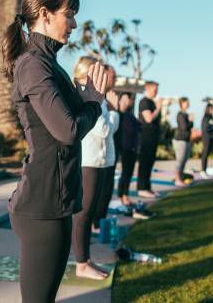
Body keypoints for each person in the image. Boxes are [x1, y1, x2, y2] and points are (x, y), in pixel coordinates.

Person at [2, 0, 107, 303]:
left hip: (53, 201)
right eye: (70, 15)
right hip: (41, 206)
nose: (74, 24)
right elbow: (68, 131)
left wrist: (88, 99)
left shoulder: (48, 64)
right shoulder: (34, 65)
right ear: (45, 15)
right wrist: (93, 102)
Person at [71, 58, 119, 280]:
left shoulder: (97, 99)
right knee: (84, 214)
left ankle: (85, 260)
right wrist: (114, 112)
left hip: (98, 161)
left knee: (89, 213)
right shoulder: (90, 98)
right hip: (88, 162)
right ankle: (81, 264)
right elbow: (104, 130)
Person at [92, 65, 120, 233]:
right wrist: (114, 112)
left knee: (105, 194)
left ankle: (99, 224)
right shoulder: (98, 99)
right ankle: (94, 226)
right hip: (94, 159)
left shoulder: (105, 100)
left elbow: (110, 130)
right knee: (95, 199)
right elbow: (104, 130)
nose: (115, 79)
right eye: (112, 76)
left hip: (106, 157)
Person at [137, 81, 163, 198]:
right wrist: (158, 108)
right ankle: (142, 188)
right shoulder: (144, 102)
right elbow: (148, 119)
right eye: (154, 89)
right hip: (146, 137)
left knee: (150, 163)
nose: (156, 92)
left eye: (157, 90)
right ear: (148, 88)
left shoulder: (152, 102)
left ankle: (148, 188)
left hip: (153, 137)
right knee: (145, 163)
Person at [117, 93, 142, 207]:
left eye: (130, 99)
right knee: (126, 173)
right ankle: (122, 196)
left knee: (128, 173)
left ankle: (124, 195)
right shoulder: (121, 114)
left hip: (132, 147)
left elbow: (139, 127)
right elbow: (131, 129)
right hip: (126, 147)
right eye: (126, 99)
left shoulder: (130, 114)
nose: (129, 101)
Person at [173, 97, 194, 187]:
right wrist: (190, 121)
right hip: (180, 140)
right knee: (180, 160)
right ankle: (177, 179)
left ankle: (180, 178)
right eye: (186, 102)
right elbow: (184, 127)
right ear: (182, 103)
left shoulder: (186, 114)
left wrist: (190, 121)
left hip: (186, 140)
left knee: (184, 160)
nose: (188, 104)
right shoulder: (180, 115)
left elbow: (189, 126)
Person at [200, 104, 213, 179]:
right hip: (206, 138)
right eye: (211, 109)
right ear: (208, 109)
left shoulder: (211, 117)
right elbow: (206, 128)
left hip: (210, 137)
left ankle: (205, 170)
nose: (212, 110)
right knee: (205, 154)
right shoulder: (206, 118)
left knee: (207, 154)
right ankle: (203, 171)